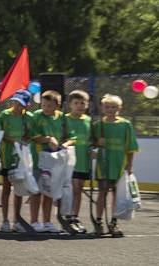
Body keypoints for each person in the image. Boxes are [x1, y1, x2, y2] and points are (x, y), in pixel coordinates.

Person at [91, 94, 138, 237]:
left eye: (113, 107)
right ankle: (98, 222)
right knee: (102, 194)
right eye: (107, 107)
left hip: (119, 166)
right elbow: (92, 145)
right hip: (103, 165)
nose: (110, 109)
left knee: (116, 195)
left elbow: (130, 147)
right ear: (102, 108)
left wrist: (129, 165)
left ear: (119, 108)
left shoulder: (125, 125)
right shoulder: (98, 125)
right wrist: (97, 144)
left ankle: (113, 222)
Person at [0, 89, 33, 233]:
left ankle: (17, 220)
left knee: (18, 189)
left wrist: (25, 140)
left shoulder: (28, 117)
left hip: (21, 158)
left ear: (27, 105)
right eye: (15, 102)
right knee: (6, 187)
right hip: (7, 157)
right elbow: (1, 134)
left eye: (21, 104)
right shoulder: (4, 116)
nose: (17, 106)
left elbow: (30, 134)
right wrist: (14, 141)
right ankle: (5, 220)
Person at [29, 90, 66, 233]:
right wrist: (48, 139)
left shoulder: (62, 118)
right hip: (39, 159)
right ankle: (33, 221)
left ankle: (47, 222)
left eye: (49, 106)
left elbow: (66, 135)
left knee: (49, 191)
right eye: (44, 105)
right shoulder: (37, 116)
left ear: (57, 105)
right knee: (36, 191)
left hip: (54, 160)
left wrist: (64, 144)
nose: (46, 108)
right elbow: (33, 136)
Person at [64, 90, 92, 233]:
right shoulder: (65, 119)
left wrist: (93, 148)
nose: (79, 106)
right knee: (71, 190)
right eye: (76, 103)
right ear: (70, 104)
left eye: (83, 103)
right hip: (68, 161)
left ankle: (74, 216)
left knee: (78, 190)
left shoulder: (88, 120)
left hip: (83, 162)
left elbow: (91, 140)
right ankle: (67, 215)